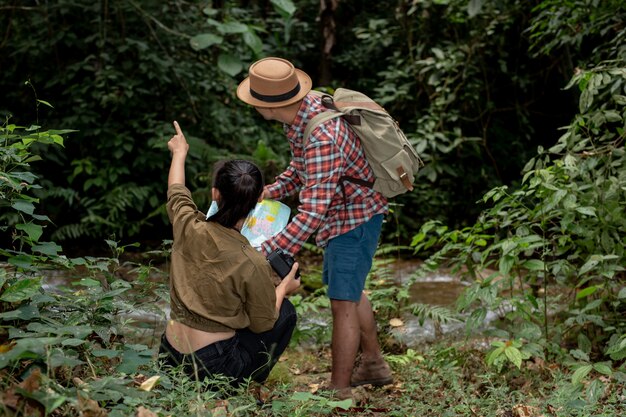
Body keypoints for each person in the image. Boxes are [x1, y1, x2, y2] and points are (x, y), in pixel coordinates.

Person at [236, 57, 393, 399]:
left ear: (268, 105)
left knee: (342, 301)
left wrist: (264, 253)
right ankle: (374, 364)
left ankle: (340, 388)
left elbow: (310, 214)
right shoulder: (303, 113)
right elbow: (300, 167)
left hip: (354, 218)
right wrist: (267, 192)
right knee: (347, 290)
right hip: (341, 214)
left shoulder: (322, 135)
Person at [159, 121, 300, 388]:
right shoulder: (252, 261)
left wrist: (179, 153)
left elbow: (176, 191)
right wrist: (284, 287)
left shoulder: (187, 226)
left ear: (215, 193)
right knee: (286, 313)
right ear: (259, 200)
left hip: (170, 355)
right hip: (212, 366)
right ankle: (237, 387)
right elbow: (263, 322)